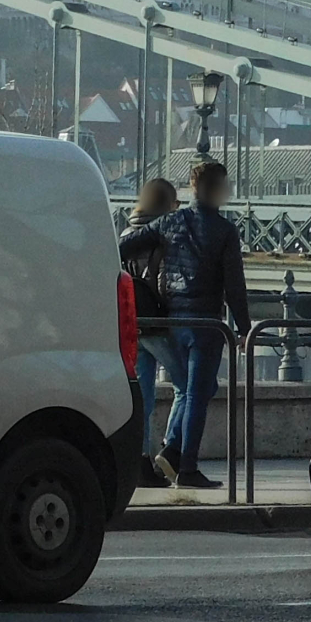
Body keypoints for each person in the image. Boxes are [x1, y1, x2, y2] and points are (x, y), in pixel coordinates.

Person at [116, 158, 250, 488]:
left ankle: (171, 454)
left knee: (188, 390)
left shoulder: (170, 222)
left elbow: (122, 247)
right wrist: (245, 329)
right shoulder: (225, 231)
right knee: (197, 392)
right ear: (220, 190)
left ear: (192, 188)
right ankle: (186, 465)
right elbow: (234, 286)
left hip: (174, 320)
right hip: (206, 322)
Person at [122, 179, 183, 487]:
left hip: (134, 322)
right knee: (189, 385)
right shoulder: (162, 235)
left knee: (142, 399)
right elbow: (165, 282)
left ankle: (140, 463)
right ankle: (172, 451)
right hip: (157, 322)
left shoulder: (125, 233)